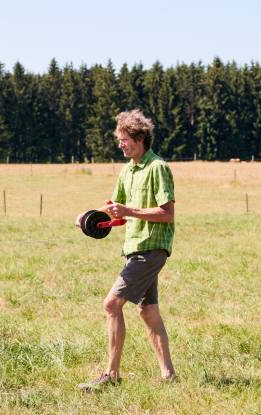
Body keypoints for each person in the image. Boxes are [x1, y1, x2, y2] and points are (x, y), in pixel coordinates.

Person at [76, 109, 177, 391]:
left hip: (152, 248)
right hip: (134, 248)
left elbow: (167, 213)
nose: (120, 144)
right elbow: (115, 210)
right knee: (148, 312)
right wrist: (87, 218)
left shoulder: (158, 167)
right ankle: (169, 375)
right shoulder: (128, 170)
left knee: (111, 304)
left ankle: (111, 375)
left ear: (140, 138)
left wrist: (129, 210)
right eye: (119, 139)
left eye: (124, 139)